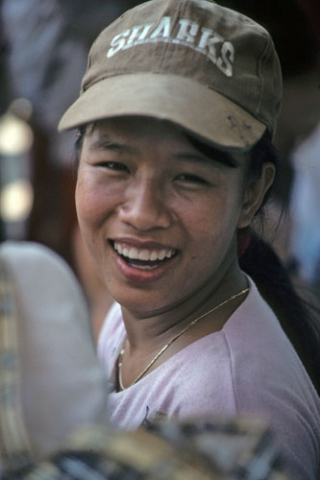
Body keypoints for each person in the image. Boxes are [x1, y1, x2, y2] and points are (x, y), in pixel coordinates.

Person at [58, 0, 320, 478]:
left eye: (189, 177)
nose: (141, 213)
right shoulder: (142, 308)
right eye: (114, 165)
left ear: (252, 193)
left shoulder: (225, 406)